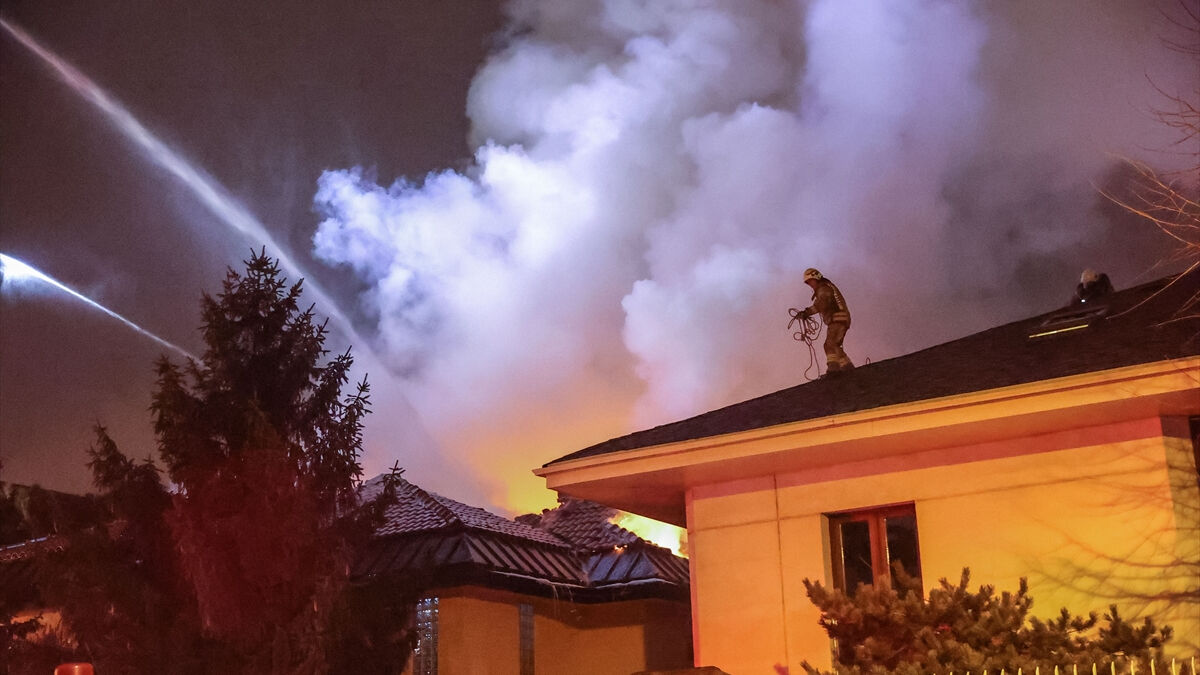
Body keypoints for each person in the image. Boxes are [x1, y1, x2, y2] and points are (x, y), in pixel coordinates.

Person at [797, 268, 854, 373]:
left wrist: (806, 313)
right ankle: (847, 367)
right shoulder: (827, 287)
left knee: (829, 344)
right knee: (836, 345)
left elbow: (822, 304)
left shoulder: (824, 288)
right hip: (841, 318)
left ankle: (833, 369)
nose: (810, 285)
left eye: (811, 281)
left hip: (837, 319)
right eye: (808, 283)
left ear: (816, 278)